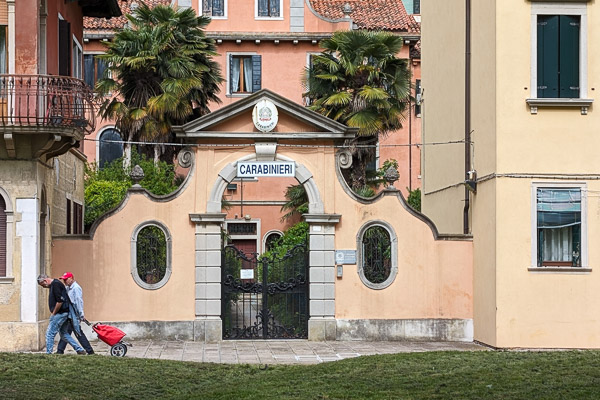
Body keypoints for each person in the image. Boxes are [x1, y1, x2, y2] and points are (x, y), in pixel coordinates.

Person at [37, 274, 85, 355]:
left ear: (45, 280)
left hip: (60, 313)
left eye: (43, 285)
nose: (44, 287)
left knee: (50, 333)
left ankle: (48, 353)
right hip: (64, 313)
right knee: (64, 334)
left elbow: (60, 301)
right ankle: (79, 349)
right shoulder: (55, 284)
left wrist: (53, 313)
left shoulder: (55, 285)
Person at [56, 272, 95, 355]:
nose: (65, 281)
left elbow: (78, 302)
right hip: (70, 315)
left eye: (66, 279)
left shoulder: (76, 288)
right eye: (64, 279)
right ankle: (60, 350)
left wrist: (81, 315)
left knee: (76, 333)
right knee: (67, 332)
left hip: (74, 315)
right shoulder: (68, 288)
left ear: (71, 278)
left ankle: (89, 350)